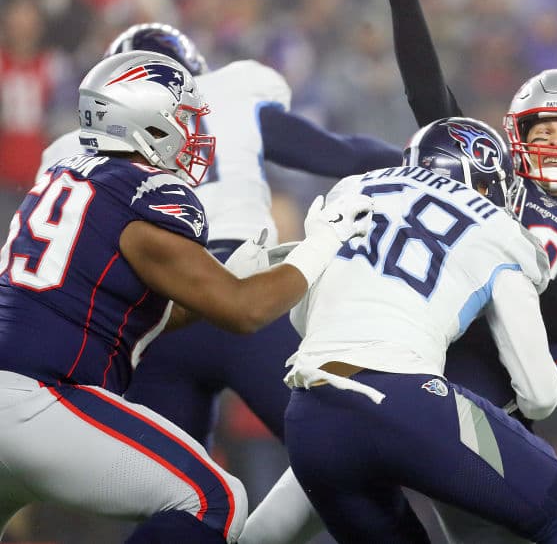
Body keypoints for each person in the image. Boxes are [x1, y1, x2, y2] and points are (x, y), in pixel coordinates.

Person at [240, 0, 557, 544]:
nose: (550, 143)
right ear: (511, 142)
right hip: (410, 381)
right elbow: (430, 97)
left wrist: (483, 273)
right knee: (271, 524)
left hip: (483, 405)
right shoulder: (483, 197)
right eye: (538, 131)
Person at [0, 50, 372, 543]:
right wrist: (324, 242)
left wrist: (223, 283)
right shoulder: (140, 194)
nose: (192, 133)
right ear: (144, 123)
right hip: (41, 401)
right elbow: (245, 311)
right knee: (212, 499)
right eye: (182, 118)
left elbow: (143, 313)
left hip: (20, 394)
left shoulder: (65, 176)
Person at [38, 22, 403, 452]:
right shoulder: (230, 95)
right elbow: (341, 154)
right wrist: (421, 162)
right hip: (249, 289)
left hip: (155, 318)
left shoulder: (69, 153)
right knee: (341, 456)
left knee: (174, 496)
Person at [279, 116, 557, 543]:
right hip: (410, 403)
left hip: (310, 417)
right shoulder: (498, 227)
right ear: (488, 184)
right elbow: (540, 396)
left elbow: (299, 317)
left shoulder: (357, 187)